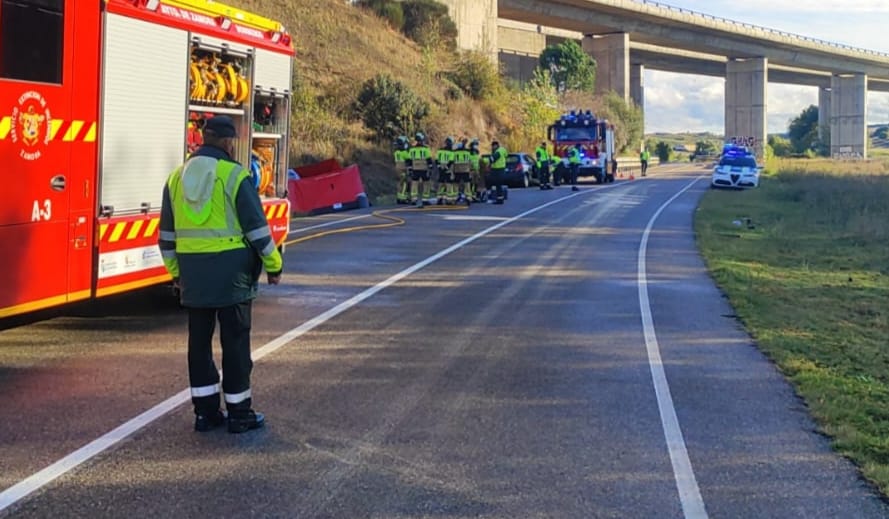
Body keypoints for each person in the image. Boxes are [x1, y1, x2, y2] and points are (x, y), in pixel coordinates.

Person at [159, 115, 282, 434]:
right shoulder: (234, 176)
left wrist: (177, 274)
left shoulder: (176, 178)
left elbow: (167, 238)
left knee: (198, 345)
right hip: (233, 276)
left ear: (203, 138)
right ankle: (240, 414)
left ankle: (205, 413)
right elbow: (257, 230)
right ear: (228, 143)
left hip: (194, 276)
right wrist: (274, 265)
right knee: (236, 343)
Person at [409, 132, 433, 208]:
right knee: (426, 183)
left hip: (415, 169)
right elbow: (429, 159)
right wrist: (431, 168)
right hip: (424, 169)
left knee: (414, 184)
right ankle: (425, 199)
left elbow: (409, 160)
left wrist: (410, 169)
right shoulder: (425, 149)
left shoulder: (412, 149)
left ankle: (414, 199)